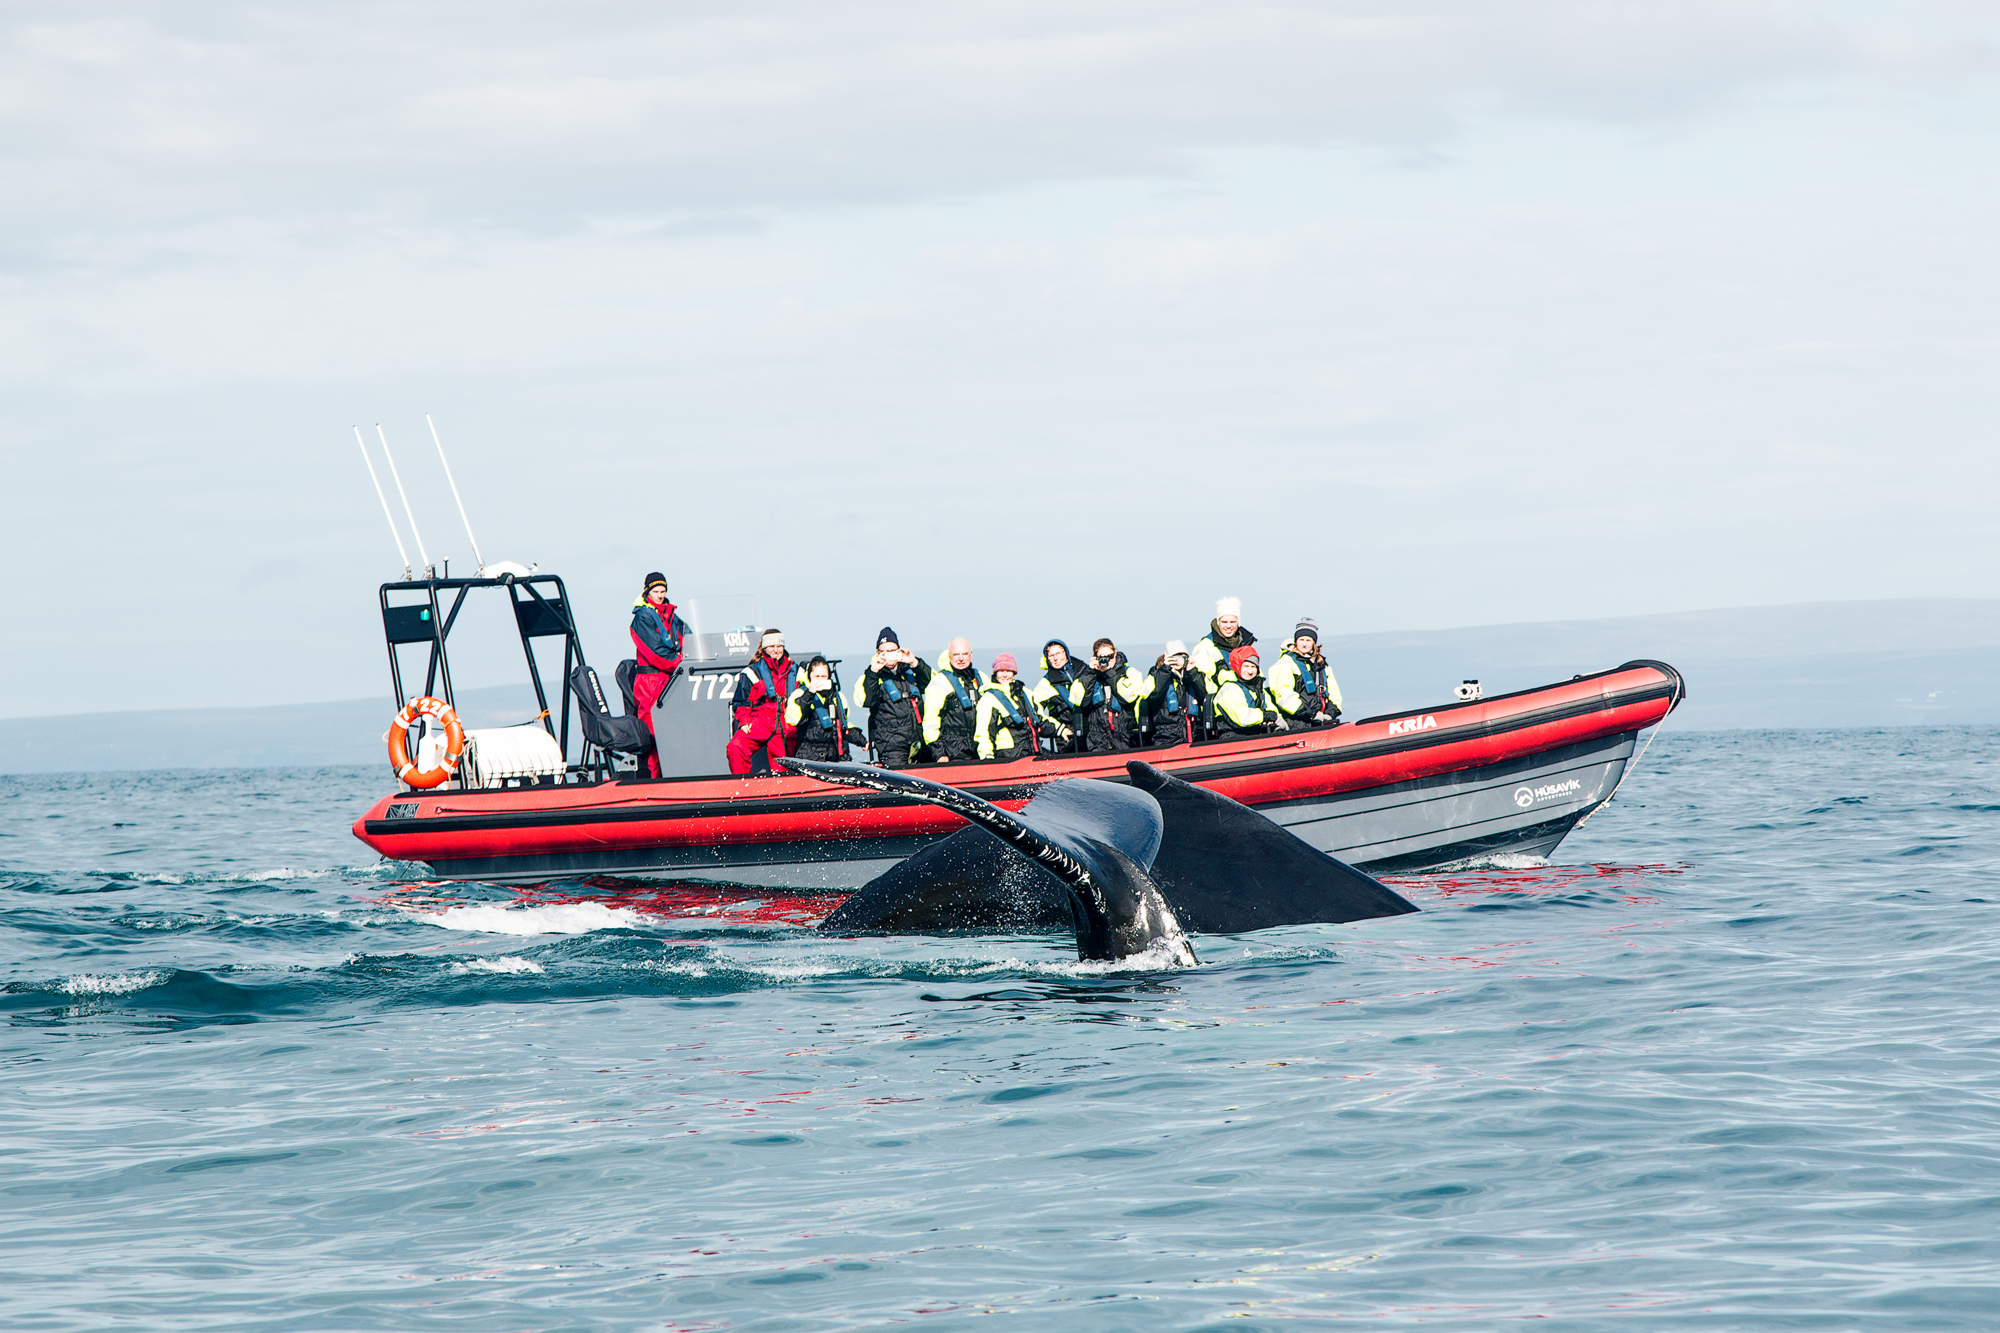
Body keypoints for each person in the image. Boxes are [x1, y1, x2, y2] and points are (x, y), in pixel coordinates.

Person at [629, 571, 690, 778]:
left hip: (672, 680)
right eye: (656, 591)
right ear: (648, 592)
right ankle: (655, 782)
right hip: (651, 682)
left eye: (663, 591)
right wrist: (681, 661)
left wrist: (693, 655)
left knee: (673, 732)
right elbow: (656, 653)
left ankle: (675, 776)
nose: (660, 595)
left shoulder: (671, 615)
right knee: (654, 736)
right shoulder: (642, 618)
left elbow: (688, 637)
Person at [854, 627, 932, 768]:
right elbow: (865, 700)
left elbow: (933, 684)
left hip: (919, 742)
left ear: (899, 651)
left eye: (891, 651)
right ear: (877, 653)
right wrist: (873, 672)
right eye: (883, 651)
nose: (888, 655)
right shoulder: (870, 676)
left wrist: (915, 663)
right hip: (892, 746)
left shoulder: (910, 672)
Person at [726, 629, 798, 775]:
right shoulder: (752, 672)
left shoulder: (796, 671)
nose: (776, 650)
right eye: (771, 646)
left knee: (784, 766)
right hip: (760, 721)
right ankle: (742, 787)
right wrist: (745, 721)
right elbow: (741, 702)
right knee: (736, 746)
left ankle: (782, 793)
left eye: (779, 646)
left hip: (785, 723)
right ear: (764, 648)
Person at [1070, 637, 1150, 753]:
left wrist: (1110, 673)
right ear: (1095, 658)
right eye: (1102, 657)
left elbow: (1129, 696)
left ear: (1115, 654)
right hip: (1097, 736)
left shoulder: (1129, 672)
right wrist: (1090, 673)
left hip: (1124, 734)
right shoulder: (1087, 676)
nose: (1107, 660)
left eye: (1110, 656)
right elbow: (1079, 700)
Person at [1268, 617, 1343, 729]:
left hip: (1320, 721)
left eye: (1308, 640)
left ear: (1314, 643)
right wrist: (1310, 714)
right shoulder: (1285, 663)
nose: (1304, 644)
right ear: (1295, 641)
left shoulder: (1322, 665)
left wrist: (1331, 713)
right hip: (1296, 722)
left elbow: (1334, 692)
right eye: (1301, 640)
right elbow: (1283, 694)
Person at [785, 656, 864, 762]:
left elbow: (844, 725)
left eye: (824, 676)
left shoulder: (838, 697)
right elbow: (792, 719)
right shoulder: (799, 694)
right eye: (817, 676)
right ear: (809, 676)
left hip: (834, 757)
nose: (820, 680)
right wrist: (810, 694)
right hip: (810, 757)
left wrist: (862, 741)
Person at [922, 637, 986, 763]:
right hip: (952, 753)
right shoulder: (939, 683)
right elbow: (930, 722)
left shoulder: (981, 679)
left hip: (978, 751)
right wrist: (939, 753)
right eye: (956, 654)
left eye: (964, 654)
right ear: (949, 656)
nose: (960, 658)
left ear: (971, 655)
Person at [975, 653, 1041, 761]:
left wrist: (1061, 731)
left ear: (1014, 672)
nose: (1005, 675)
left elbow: (1040, 719)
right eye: (1001, 671)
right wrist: (987, 756)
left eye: (1008, 671)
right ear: (995, 673)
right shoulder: (989, 699)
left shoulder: (1025, 693)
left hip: (1032, 753)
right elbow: (983, 732)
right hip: (1008, 757)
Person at [1190, 596, 1257, 698]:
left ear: (1238, 622)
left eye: (1232, 622)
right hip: (1220, 708)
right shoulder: (1205, 647)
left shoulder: (1245, 644)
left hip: (1246, 704)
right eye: (1224, 622)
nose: (1228, 626)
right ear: (1218, 622)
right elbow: (1201, 684)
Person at [1145, 640, 1203, 748]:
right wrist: (1165, 669)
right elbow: (1153, 696)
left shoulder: (1191, 677)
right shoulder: (1158, 676)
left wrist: (1193, 672)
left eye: (1182, 657)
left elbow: (1204, 696)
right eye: (1175, 658)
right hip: (1166, 738)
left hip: (1192, 737)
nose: (1178, 661)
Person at [1029, 639, 1081, 753]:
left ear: (1066, 653)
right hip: (1067, 739)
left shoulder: (1083, 672)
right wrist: (1060, 730)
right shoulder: (1044, 684)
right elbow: (1035, 715)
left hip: (1092, 734)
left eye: (1058, 653)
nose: (1056, 658)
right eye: (1051, 656)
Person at [1212, 645, 1275, 737]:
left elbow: (1271, 708)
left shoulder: (1257, 688)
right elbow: (1242, 717)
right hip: (1233, 738)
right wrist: (1264, 716)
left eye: (1253, 667)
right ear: (1238, 666)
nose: (1250, 671)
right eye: (1246, 666)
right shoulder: (1229, 689)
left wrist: (1277, 720)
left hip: (1255, 734)